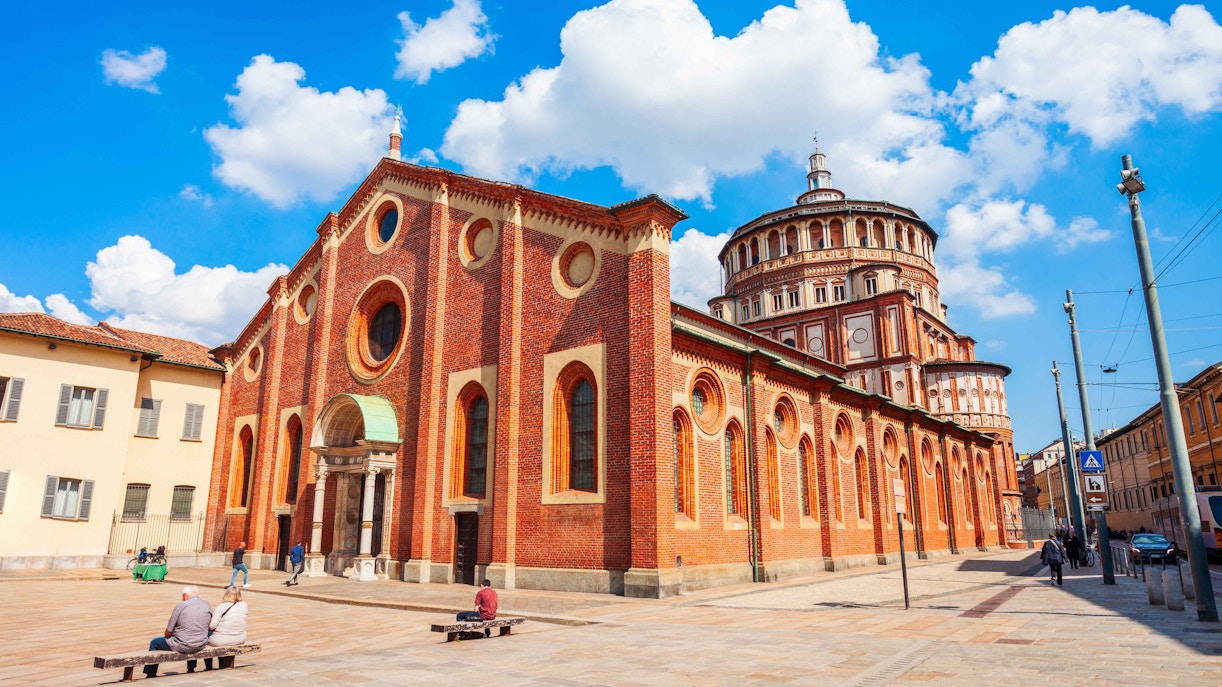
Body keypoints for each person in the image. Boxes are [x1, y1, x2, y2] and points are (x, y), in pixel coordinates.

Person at [144, 585, 211, 677]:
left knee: (154, 643)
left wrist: (168, 635)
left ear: (185, 595)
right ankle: (191, 668)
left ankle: (150, 673)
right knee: (193, 637)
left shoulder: (181, 606)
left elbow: (169, 630)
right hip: (201, 643)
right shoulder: (206, 605)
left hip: (182, 644)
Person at [186, 586, 249, 673]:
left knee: (206, 638)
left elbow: (212, 626)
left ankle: (208, 667)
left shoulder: (222, 607)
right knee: (220, 637)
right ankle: (222, 665)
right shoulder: (244, 605)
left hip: (222, 640)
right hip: (240, 638)